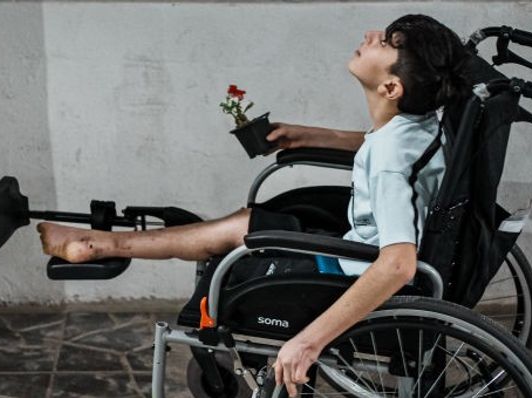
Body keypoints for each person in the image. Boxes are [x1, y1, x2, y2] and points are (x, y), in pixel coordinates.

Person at [37, 14, 468, 396]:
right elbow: (379, 147)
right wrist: (313, 135)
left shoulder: (392, 158)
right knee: (244, 225)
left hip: (350, 272)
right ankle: (103, 242)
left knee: (240, 236)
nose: (371, 34)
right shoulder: (415, 126)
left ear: (391, 86)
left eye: (387, 42)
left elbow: (398, 265)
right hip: (358, 251)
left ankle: (101, 245)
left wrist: (310, 341)